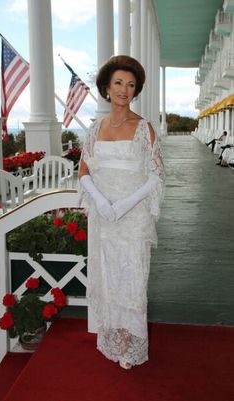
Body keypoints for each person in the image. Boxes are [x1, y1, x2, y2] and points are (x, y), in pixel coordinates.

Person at [77, 55, 165, 370]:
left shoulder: (144, 128)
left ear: (135, 89)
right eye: (118, 83)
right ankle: (113, 338)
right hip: (105, 219)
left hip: (133, 218)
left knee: (132, 280)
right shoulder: (94, 129)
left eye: (130, 84)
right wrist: (101, 202)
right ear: (106, 87)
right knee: (109, 278)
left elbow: (156, 175)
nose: (124, 90)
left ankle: (130, 345)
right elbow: (84, 170)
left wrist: (125, 204)